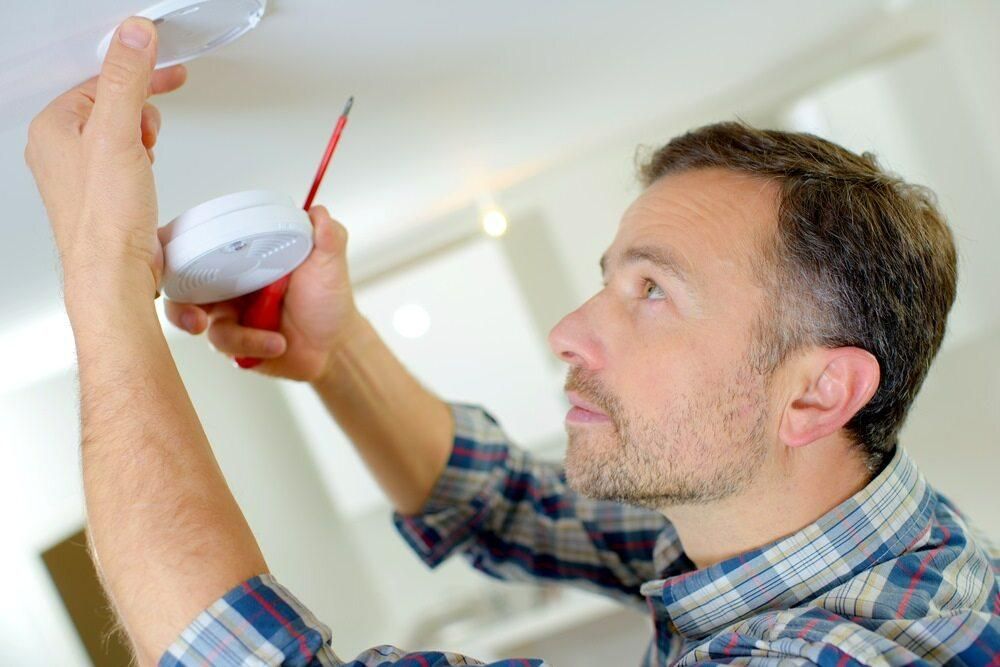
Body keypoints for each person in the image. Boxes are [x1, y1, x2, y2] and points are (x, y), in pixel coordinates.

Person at [25, 17, 998, 667]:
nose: (569, 330)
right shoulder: (824, 529)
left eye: (653, 291)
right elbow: (506, 503)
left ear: (816, 395)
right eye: (609, 278)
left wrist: (101, 281)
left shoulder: (833, 652)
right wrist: (337, 349)